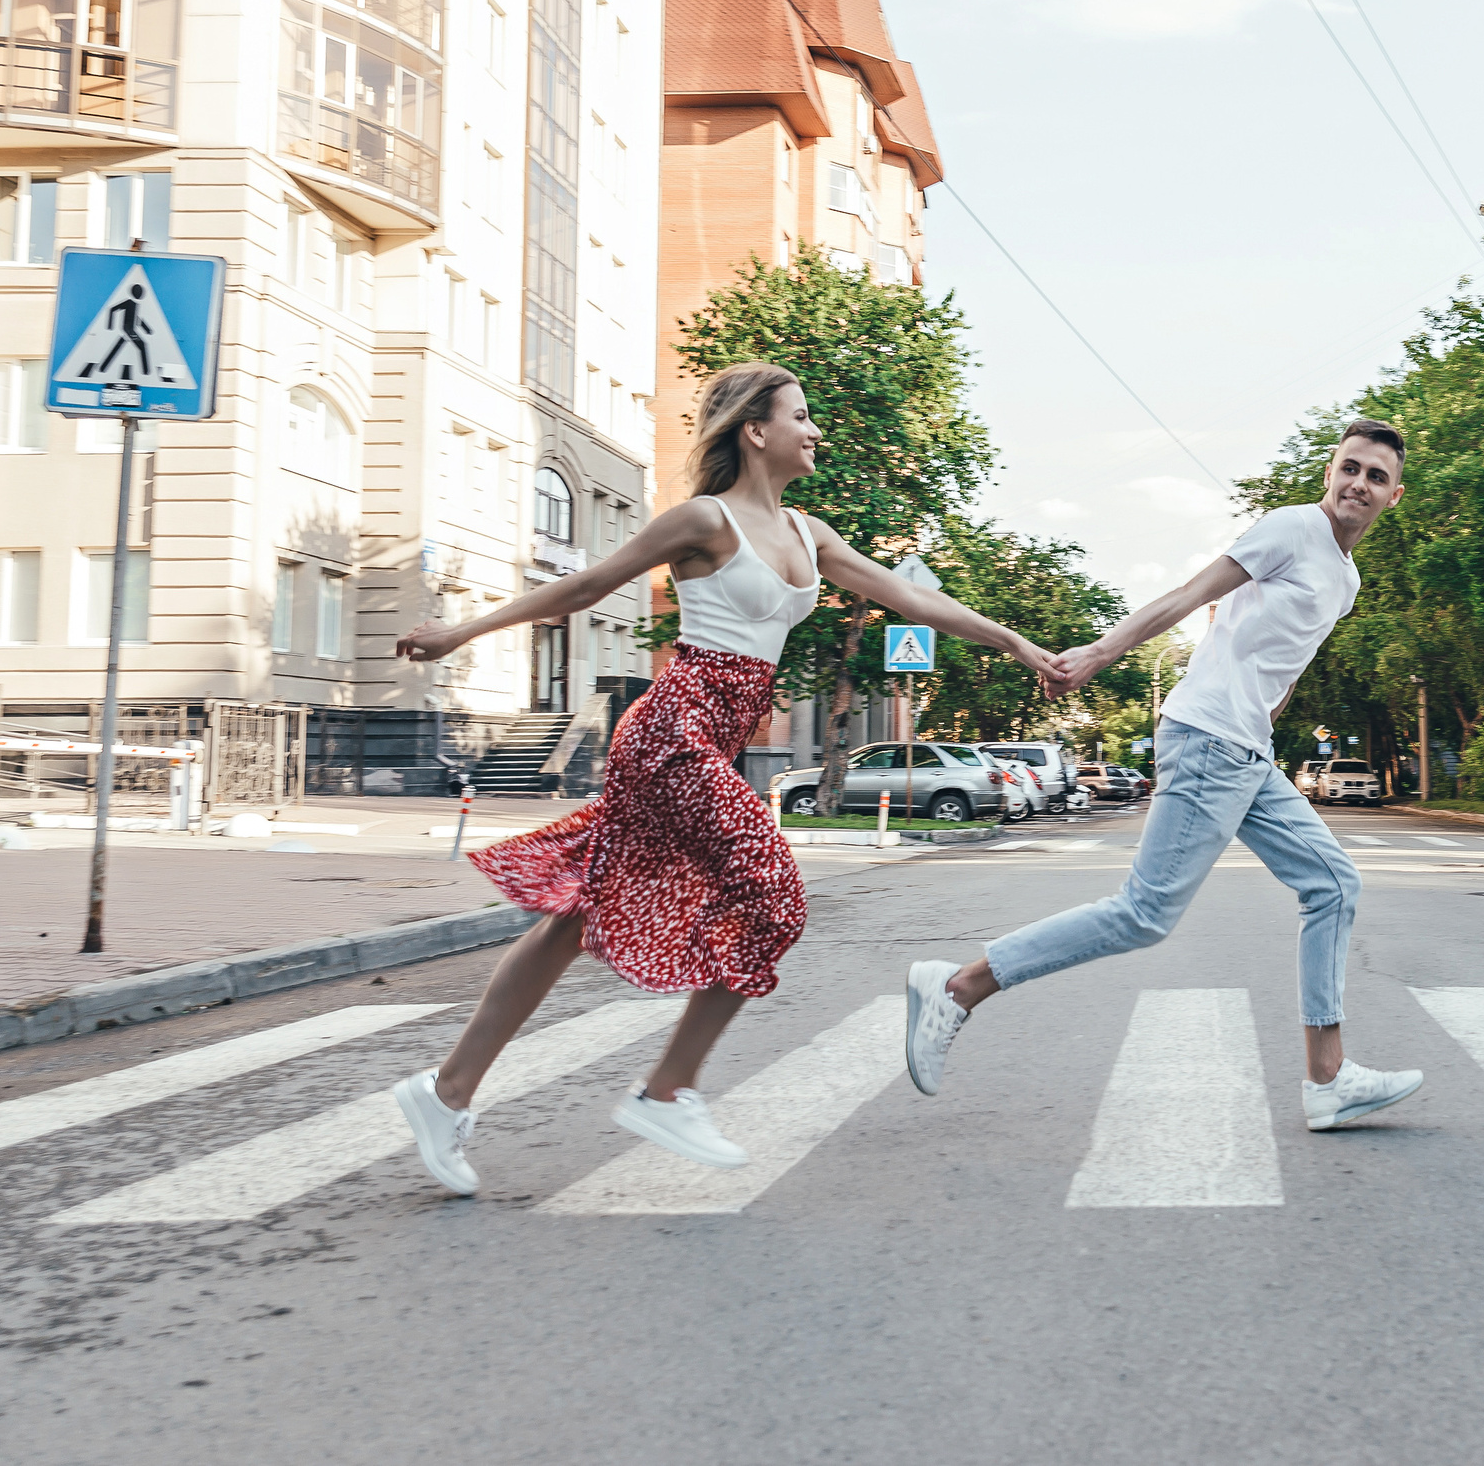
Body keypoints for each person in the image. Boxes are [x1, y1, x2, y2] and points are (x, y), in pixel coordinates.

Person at [388, 362, 1064, 1194]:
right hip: (672, 731)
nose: (815, 430)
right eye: (802, 414)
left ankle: (444, 1090)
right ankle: (667, 1087)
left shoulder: (809, 534)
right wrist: (460, 632)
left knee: (573, 918)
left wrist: (1021, 645)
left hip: (713, 739)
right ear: (756, 429)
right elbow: (588, 584)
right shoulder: (706, 520)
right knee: (774, 894)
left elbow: (914, 601)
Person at [903, 418, 1425, 1132]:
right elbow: (1188, 595)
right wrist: (1099, 653)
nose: (1357, 484)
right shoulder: (1291, 528)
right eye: (1349, 467)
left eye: (1374, 476)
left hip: (1246, 748)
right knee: (1144, 914)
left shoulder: (1346, 579)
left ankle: (1327, 1079)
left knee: (1333, 883)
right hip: (1210, 739)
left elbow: (1280, 664)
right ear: (1329, 471)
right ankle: (959, 985)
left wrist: (1263, 715)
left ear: (1394, 495)